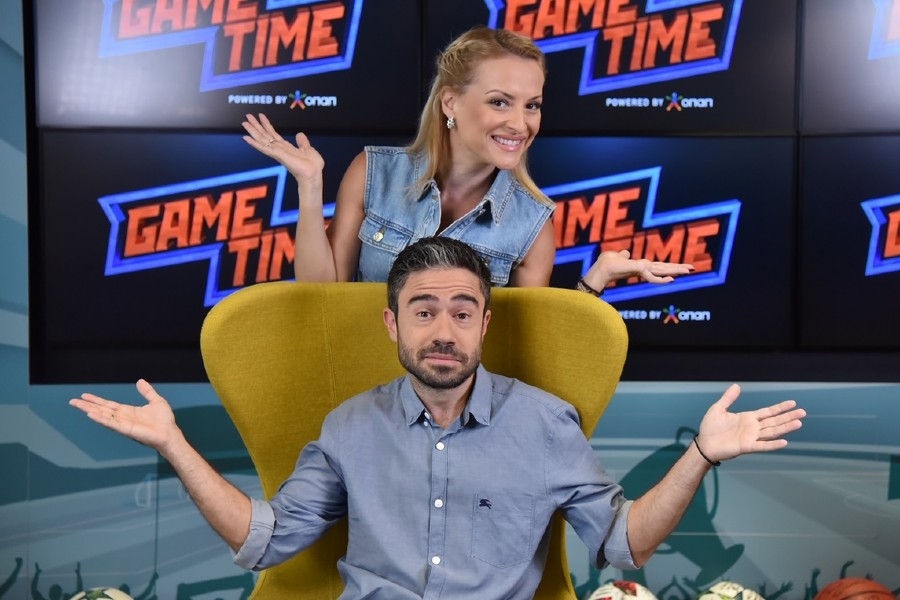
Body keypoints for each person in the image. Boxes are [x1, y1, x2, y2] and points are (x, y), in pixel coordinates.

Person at [70, 237, 805, 600]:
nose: (443, 331)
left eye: (462, 311)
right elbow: (264, 541)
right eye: (424, 312)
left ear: (485, 323)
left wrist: (700, 455)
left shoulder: (546, 423)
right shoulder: (349, 426)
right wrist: (174, 442)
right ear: (393, 325)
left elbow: (622, 546)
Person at [241, 26, 693, 291]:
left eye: (532, 105)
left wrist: (595, 280)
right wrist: (310, 186)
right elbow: (323, 295)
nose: (520, 123)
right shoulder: (373, 172)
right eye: (500, 102)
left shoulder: (533, 222)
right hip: (359, 389)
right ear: (451, 102)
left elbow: (523, 351)